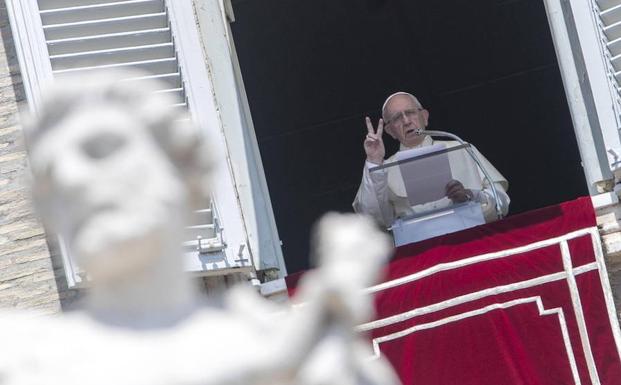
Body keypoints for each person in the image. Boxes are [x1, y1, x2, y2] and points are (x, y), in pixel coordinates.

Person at [353, 92, 510, 229]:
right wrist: (374, 160)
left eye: (410, 112)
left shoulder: (460, 147)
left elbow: (501, 201)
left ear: (425, 117)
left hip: (469, 236)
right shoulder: (383, 169)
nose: (406, 121)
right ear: (390, 131)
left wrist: (469, 196)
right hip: (419, 250)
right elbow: (373, 220)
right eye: (397, 118)